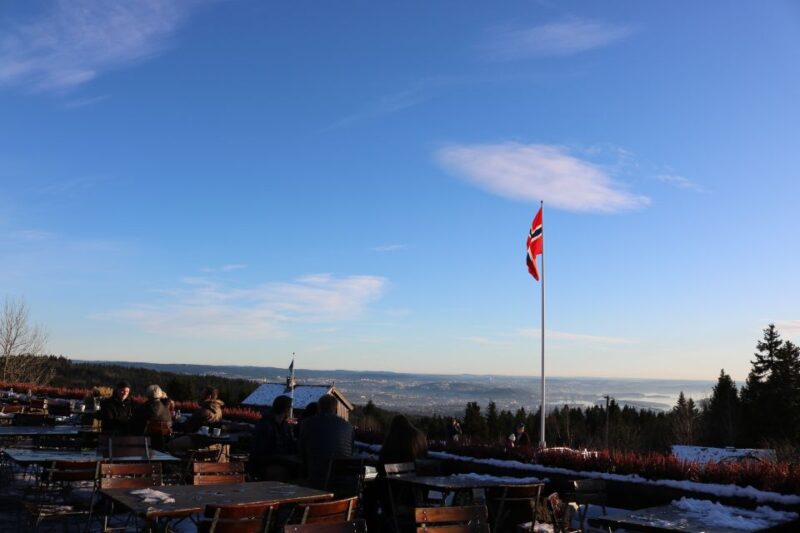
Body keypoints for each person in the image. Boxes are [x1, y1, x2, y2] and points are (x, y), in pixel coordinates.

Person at [299, 393, 353, 488]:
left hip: (316, 479)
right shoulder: (347, 426)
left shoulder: (307, 423)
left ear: (319, 408)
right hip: (344, 480)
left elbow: (301, 451)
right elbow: (350, 451)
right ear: (335, 408)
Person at [248, 395, 297, 480]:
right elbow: (259, 453)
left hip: (280, 461)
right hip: (266, 465)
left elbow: (289, 445)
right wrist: (281, 458)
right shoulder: (265, 425)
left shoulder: (284, 425)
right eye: (290, 407)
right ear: (286, 409)